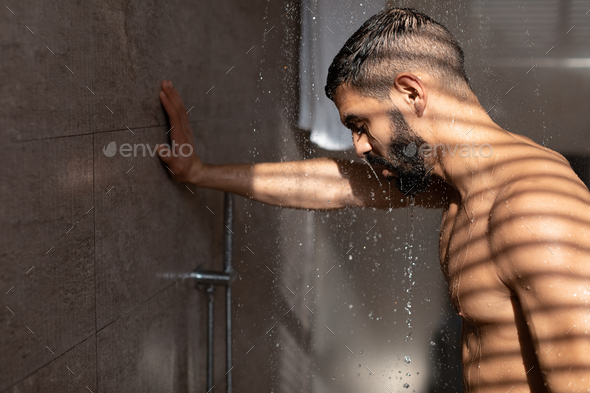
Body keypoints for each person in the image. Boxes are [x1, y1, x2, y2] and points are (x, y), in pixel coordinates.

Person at [157, 7, 590, 393]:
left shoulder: (536, 208)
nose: (360, 146)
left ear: (411, 93)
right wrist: (200, 173)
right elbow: (341, 184)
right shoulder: (463, 184)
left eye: (360, 123)